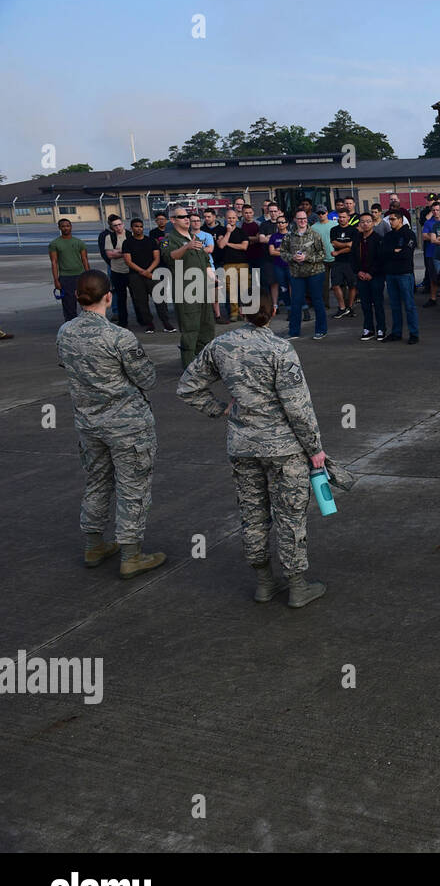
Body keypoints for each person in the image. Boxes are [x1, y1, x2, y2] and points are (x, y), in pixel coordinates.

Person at [176, 286, 330, 609]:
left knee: (252, 513)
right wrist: (315, 448)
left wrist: (221, 408)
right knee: (289, 515)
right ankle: (297, 585)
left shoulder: (221, 345)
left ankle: (263, 582)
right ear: (272, 311)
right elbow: (298, 407)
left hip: (243, 446)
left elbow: (188, 386)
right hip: (283, 448)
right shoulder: (280, 349)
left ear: (241, 311)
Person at [57, 270, 166, 579]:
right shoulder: (119, 336)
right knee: (133, 487)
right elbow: (147, 378)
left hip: (88, 423)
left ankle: (93, 545)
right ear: (109, 296)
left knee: (96, 481)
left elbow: (66, 365)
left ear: (78, 297)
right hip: (127, 425)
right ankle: (131, 555)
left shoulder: (65, 331)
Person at [159, 207, 216, 367]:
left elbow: (205, 261)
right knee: (191, 329)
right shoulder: (169, 239)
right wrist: (186, 247)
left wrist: (213, 278)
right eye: (182, 216)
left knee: (207, 327)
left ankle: (204, 364)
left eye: (188, 216)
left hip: (203, 288)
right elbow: (170, 257)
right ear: (173, 220)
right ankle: (189, 367)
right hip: (186, 291)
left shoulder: (195, 237)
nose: (186, 219)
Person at [282, 210, 329, 341]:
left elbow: (322, 254)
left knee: (317, 301)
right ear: (295, 220)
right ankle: (293, 332)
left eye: (304, 218)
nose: (302, 221)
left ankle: (321, 330)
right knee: (296, 302)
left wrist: (307, 257)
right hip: (297, 274)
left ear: (307, 220)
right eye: (299, 218)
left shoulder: (315, 235)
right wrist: (293, 257)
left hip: (315, 273)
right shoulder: (289, 236)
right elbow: (283, 253)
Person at [123, 218, 170, 332]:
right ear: (131, 228)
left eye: (140, 226)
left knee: (160, 300)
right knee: (141, 301)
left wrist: (148, 271)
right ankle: (149, 324)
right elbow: (128, 261)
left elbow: (157, 258)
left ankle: (166, 323)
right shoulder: (127, 242)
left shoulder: (151, 241)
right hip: (135, 276)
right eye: (136, 226)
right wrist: (142, 272)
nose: (138, 228)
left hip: (152, 274)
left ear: (143, 228)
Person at [381, 210, 419, 343]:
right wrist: (394, 251)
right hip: (390, 275)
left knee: (409, 305)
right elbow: (383, 253)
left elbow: (406, 254)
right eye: (389, 220)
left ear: (400, 220)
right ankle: (396, 332)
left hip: (404, 274)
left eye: (393, 219)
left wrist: (393, 252)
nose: (390, 222)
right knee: (394, 306)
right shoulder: (388, 236)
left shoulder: (409, 234)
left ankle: (413, 334)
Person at [99, 216, 139, 329]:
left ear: (123, 224)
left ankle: (141, 318)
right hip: (117, 271)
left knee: (136, 296)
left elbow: (136, 251)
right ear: (112, 227)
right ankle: (123, 321)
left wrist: (118, 251)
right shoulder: (109, 237)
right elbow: (110, 255)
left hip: (131, 270)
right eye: (115, 225)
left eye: (119, 224)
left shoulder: (130, 235)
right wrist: (125, 252)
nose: (118, 227)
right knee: (121, 297)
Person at [352, 212, 386, 341]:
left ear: (373, 223)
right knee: (365, 305)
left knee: (378, 304)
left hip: (375, 277)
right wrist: (358, 271)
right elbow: (353, 258)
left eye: (368, 221)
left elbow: (381, 259)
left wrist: (371, 273)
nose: (365, 224)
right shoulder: (357, 239)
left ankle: (381, 328)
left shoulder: (378, 239)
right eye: (362, 222)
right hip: (361, 276)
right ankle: (368, 328)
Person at [49, 219, 90, 323]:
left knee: (85, 302)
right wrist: (56, 280)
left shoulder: (79, 242)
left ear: (71, 227)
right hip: (65, 277)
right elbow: (54, 262)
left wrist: (88, 275)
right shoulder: (54, 244)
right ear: (59, 228)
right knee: (69, 305)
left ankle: (87, 323)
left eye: (67, 226)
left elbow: (85, 259)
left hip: (80, 276)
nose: (65, 228)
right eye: (63, 226)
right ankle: (71, 325)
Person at [217, 208, 253, 321]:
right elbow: (221, 245)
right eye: (229, 218)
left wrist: (228, 243)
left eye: (233, 218)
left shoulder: (242, 232)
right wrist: (228, 232)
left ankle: (244, 313)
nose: (231, 220)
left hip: (242, 263)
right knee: (231, 290)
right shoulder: (221, 231)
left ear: (236, 219)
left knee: (245, 290)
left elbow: (244, 247)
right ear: (225, 219)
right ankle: (234, 313)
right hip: (228, 264)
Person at [329, 205, 359, 318]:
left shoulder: (354, 231)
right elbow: (334, 243)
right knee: (336, 285)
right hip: (338, 262)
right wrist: (346, 244)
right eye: (340, 217)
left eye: (344, 217)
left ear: (348, 218)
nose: (341, 219)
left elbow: (353, 247)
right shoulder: (334, 230)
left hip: (351, 261)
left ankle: (350, 307)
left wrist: (338, 251)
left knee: (352, 285)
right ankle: (342, 307)